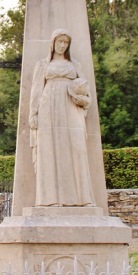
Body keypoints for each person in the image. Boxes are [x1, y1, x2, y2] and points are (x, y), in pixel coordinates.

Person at [29, 29, 95, 207]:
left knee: (77, 148)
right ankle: (49, 200)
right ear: (53, 43)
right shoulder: (43, 65)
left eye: (66, 42)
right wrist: (33, 114)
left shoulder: (75, 65)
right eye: (60, 41)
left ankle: (83, 200)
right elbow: (36, 90)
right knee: (49, 151)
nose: (63, 45)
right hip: (48, 107)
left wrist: (83, 100)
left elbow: (86, 90)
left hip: (71, 107)